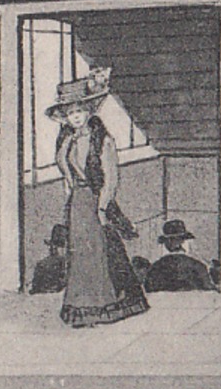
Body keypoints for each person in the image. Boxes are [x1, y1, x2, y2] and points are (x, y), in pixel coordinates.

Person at [49, 68, 149, 327]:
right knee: (78, 254)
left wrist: (103, 208)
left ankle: (103, 304)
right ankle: (79, 306)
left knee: (97, 253)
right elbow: (65, 170)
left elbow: (110, 177)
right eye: (70, 113)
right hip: (78, 203)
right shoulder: (66, 140)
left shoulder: (102, 140)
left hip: (95, 201)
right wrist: (71, 194)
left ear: (88, 112)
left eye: (79, 112)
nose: (75, 117)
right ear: (65, 117)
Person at [145, 220, 218, 292]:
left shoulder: (197, 266)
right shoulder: (156, 267)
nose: (179, 242)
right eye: (175, 239)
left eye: (180, 239)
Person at [29, 225, 69, 294]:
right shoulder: (42, 265)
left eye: (60, 246)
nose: (54, 248)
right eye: (55, 245)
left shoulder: (42, 265)